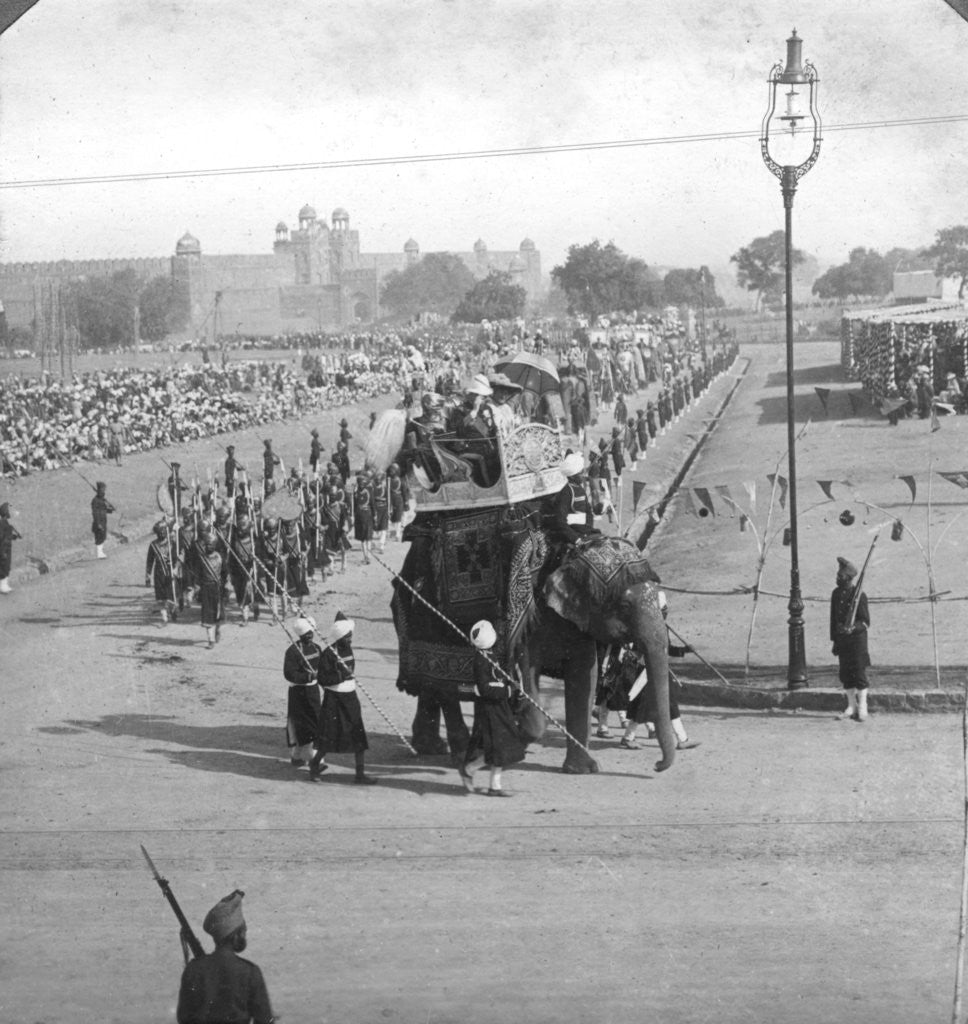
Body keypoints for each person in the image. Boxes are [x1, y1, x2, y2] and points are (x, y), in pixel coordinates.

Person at [176, 890, 274, 1024]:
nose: (245, 933)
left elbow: (184, 1018)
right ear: (236, 934)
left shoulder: (194, 969)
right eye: (243, 929)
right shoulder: (250, 972)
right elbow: (264, 1020)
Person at [619, 592, 700, 750]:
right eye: (663, 610)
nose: (664, 613)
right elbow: (638, 649)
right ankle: (629, 738)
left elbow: (667, 649)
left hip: (659, 669)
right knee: (643, 705)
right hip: (646, 671)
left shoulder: (661, 627)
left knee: (668, 704)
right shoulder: (643, 626)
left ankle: (682, 738)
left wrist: (685, 650)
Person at [458, 619, 526, 796]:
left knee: (503, 747)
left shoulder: (491, 655)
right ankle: (470, 769)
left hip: (499, 708)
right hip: (490, 709)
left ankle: (494, 786)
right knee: (498, 748)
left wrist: (510, 684)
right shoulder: (480, 660)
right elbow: (485, 689)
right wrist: (508, 691)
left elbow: (497, 679)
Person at [308, 611, 377, 784]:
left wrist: (347, 676)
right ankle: (314, 766)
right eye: (347, 637)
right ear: (339, 637)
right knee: (328, 737)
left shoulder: (348, 650)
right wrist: (341, 676)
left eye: (351, 636)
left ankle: (360, 774)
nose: (350, 640)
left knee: (358, 737)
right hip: (334, 699)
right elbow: (322, 680)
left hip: (350, 697)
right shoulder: (329, 654)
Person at [830, 555, 872, 721]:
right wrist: (835, 639)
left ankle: (862, 706)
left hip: (857, 642)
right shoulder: (836, 594)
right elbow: (833, 619)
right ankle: (851, 706)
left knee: (859, 674)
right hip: (843, 641)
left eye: (840, 576)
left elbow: (866, 622)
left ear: (848, 577)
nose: (837, 578)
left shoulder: (859, 595)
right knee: (845, 674)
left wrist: (852, 628)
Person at [283, 616, 322, 767]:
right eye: (307, 634)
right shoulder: (292, 651)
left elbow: (322, 667)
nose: (310, 637)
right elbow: (289, 674)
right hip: (298, 692)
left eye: (311, 633)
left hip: (313, 690)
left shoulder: (317, 648)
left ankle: (305, 755)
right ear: (300, 635)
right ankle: (301, 756)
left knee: (315, 721)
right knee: (299, 724)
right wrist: (307, 676)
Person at [145, 520, 180, 624]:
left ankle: (173, 609)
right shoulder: (153, 545)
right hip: (158, 573)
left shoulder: (172, 543)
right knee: (160, 597)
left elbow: (176, 558)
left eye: (163, 531)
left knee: (171, 595)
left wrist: (175, 568)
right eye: (159, 531)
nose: (161, 533)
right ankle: (164, 618)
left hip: (170, 572)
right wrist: (148, 576)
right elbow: (149, 561)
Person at [196, 536, 225, 649]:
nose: (209, 547)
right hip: (206, 589)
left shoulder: (220, 557)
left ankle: (217, 629)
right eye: (207, 545)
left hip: (218, 589)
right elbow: (197, 574)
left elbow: (225, 572)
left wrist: (226, 585)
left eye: (211, 545)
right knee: (208, 614)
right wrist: (196, 587)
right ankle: (211, 640)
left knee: (218, 613)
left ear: (215, 545)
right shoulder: (201, 558)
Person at [0, 501, 22, 594]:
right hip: (4, 546)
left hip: (5, 544)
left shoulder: (5, 523)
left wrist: (14, 536)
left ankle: (3, 584)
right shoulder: (3, 524)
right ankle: (3, 585)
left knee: (5, 564)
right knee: (4, 564)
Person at [90, 481, 115, 560]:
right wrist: (98, 524)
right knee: (99, 537)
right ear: (99, 490)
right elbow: (95, 513)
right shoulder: (95, 501)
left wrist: (111, 509)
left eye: (104, 490)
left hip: (103, 521)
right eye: (102, 490)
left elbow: (104, 509)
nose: (104, 491)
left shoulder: (102, 499)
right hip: (98, 522)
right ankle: (99, 553)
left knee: (103, 536)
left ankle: (100, 552)